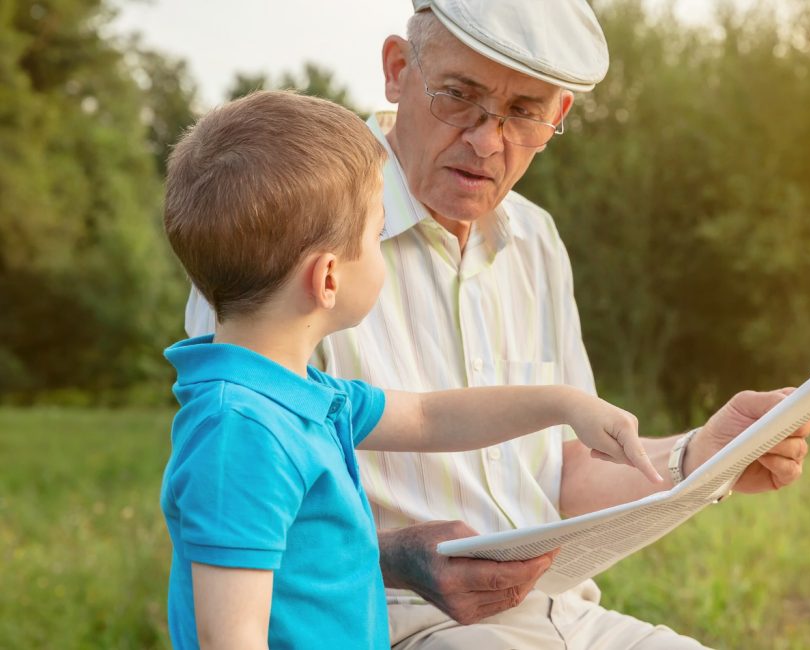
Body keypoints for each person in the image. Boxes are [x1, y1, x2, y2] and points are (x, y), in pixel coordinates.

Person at [185, 2, 810, 648]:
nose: (488, 141)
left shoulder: (537, 240)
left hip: (562, 616)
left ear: (557, 117)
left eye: (523, 112)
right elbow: (239, 515)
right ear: (398, 70)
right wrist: (399, 558)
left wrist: (701, 457)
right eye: (459, 96)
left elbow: (556, 464)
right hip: (394, 625)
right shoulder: (286, 232)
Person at [161, 89, 664, 650]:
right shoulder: (242, 435)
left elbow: (429, 416)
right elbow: (229, 638)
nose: (385, 249)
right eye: (376, 236)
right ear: (327, 279)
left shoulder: (304, 395)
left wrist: (564, 403)